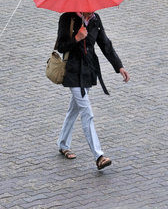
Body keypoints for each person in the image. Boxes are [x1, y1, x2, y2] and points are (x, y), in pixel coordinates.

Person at [56, 10, 130, 170]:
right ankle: (99, 156)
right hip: (73, 71)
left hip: (88, 72)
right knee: (86, 112)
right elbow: (60, 47)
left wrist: (119, 66)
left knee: (74, 109)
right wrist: (76, 38)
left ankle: (63, 144)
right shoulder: (67, 18)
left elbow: (105, 44)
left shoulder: (95, 19)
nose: (91, 10)